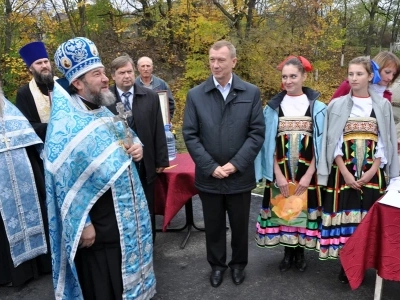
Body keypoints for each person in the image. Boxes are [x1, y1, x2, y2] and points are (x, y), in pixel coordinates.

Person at [44, 37, 155, 299]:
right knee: (102, 282)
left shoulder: (102, 111)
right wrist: (84, 224)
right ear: (78, 83)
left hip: (123, 220)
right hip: (99, 226)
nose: (106, 78)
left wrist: (137, 149)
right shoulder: (65, 126)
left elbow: (125, 141)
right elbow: (64, 183)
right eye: (97, 74)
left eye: (104, 71)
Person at [182, 40, 265, 287]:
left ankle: (238, 265)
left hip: (239, 176)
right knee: (214, 227)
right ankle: (217, 266)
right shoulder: (196, 95)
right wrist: (210, 166)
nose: (215, 65)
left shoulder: (250, 93)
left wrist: (235, 164)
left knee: (240, 226)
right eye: (211, 60)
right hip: (210, 177)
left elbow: (256, 132)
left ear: (233, 62)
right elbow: (190, 134)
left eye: (220, 60)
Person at [317, 56, 398, 284]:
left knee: (365, 221)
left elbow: (386, 140)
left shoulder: (382, 106)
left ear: (370, 76)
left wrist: (373, 171)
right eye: (350, 74)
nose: (354, 78)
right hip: (344, 174)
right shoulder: (337, 105)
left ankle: (363, 264)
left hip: (372, 174)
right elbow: (333, 141)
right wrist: (344, 171)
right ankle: (346, 264)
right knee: (347, 219)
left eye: (359, 74)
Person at [254, 56, 326, 272]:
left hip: (307, 172)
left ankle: (300, 253)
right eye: (284, 77)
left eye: (293, 76)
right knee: (283, 210)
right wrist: (277, 174)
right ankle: (287, 253)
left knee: (303, 211)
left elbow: (321, 144)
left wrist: (309, 174)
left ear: (304, 76)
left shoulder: (318, 108)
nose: (288, 81)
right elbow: (268, 145)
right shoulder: (273, 108)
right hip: (282, 170)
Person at [108, 55, 169, 241]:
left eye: (129, 72)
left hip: (146, 162)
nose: (126, 76)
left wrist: (161, 160)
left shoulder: (149, 96)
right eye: (121, 73)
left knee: (146, 206)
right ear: (113, 76)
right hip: (118, 166)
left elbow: (159, 129)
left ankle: (149, 243)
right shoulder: (105, 99)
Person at [0, 87, 49, 287]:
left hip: (27, 182)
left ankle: (40, 265)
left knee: (35, 213)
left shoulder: (14, 115)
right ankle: (13, 274)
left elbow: (34, 146)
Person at [17, 41, 56, 142]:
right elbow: (26, 125)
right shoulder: (24, 93)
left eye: (46, 61)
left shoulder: (63, 84)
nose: (44, 65)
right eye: (39, 63)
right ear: (31, 68)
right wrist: (52, 127)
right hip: (44, 145)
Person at [331, 51, 400, 102]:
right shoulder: (349, 85)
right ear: (376, 69)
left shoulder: (386, 97)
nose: (390, 78)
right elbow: (330, 111)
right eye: (387, 72)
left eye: (394, 74)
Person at [135, 56, 175, 121]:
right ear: (138, 68)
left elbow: (170, 103)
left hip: (159, 122)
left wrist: (167, 119)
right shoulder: (133, 85)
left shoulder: (161, 84)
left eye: (148, 66)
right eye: (143, 66)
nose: (145, 69)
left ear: (152, 68)